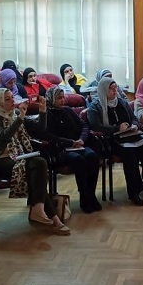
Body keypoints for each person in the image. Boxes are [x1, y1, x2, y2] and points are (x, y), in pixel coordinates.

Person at [0, 88, 70, 234]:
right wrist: (20, 118)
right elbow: (4, 135)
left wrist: (43, 111)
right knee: (36, 168)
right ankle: (53, 218)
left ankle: (39, 209)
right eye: (7, 99)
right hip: (1, 160)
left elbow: (40, 129)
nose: (12, 101)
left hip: (20, 156)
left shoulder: (15, 114)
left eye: (12, 97)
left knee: (39, 162)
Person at [88, 76, 143, 206]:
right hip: (111, 139)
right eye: (111, 89)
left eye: (116, 88)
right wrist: (116, 128)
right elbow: (96, 126)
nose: (115, 91)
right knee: (130, 154)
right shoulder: (95, 106)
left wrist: (135, 125)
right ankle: (134, 192)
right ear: (103, 90)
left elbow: (134, 118)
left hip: (130, 134)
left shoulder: (122, 102)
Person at [35, 85, 102, 213]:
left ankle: (91, 194)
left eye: (63, 97)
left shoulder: (68, 110)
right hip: (61, 149)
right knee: (79, 160)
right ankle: (84, 197)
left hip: (78, 145)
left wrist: (82, 139)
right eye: (59, 98)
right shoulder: (47, 114)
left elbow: (84, 125)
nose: (63, 100)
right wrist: (70, 142)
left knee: (92, 156)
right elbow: (49, 136)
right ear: (51, 99)